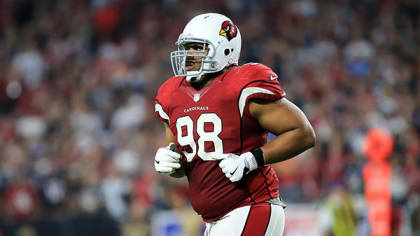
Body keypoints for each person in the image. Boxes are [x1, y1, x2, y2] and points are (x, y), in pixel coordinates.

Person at [154, 13, 316, 236]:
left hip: (251, 205)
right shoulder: (171, 95)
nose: (189, 56)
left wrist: (252, 159)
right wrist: (169, 164)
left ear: (225, 49)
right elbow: (185, 166)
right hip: (214, 220)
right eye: (187, 48)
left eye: (197, 48)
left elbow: (304, 133)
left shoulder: (239, 85)